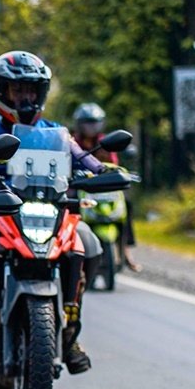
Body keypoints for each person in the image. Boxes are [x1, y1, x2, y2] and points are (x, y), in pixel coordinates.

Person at [0, 51, 105, 376]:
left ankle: (69, 327)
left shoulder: (57, 133)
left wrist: (102, 170)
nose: (25, 97)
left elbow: (84, 159)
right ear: (0, 91)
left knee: (88, 242)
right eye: (17, 89)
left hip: (48, 212)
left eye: (31, 90)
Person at [72, 102, 140, 271]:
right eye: (87, 123)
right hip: (80, 187)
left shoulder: (106, 142)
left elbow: (113, 165)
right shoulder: (72, 142)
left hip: (104, 188)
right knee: (69, 205)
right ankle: (72, 248)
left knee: (127, 206)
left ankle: (125, 250)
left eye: (94, 123)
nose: (91, 127)